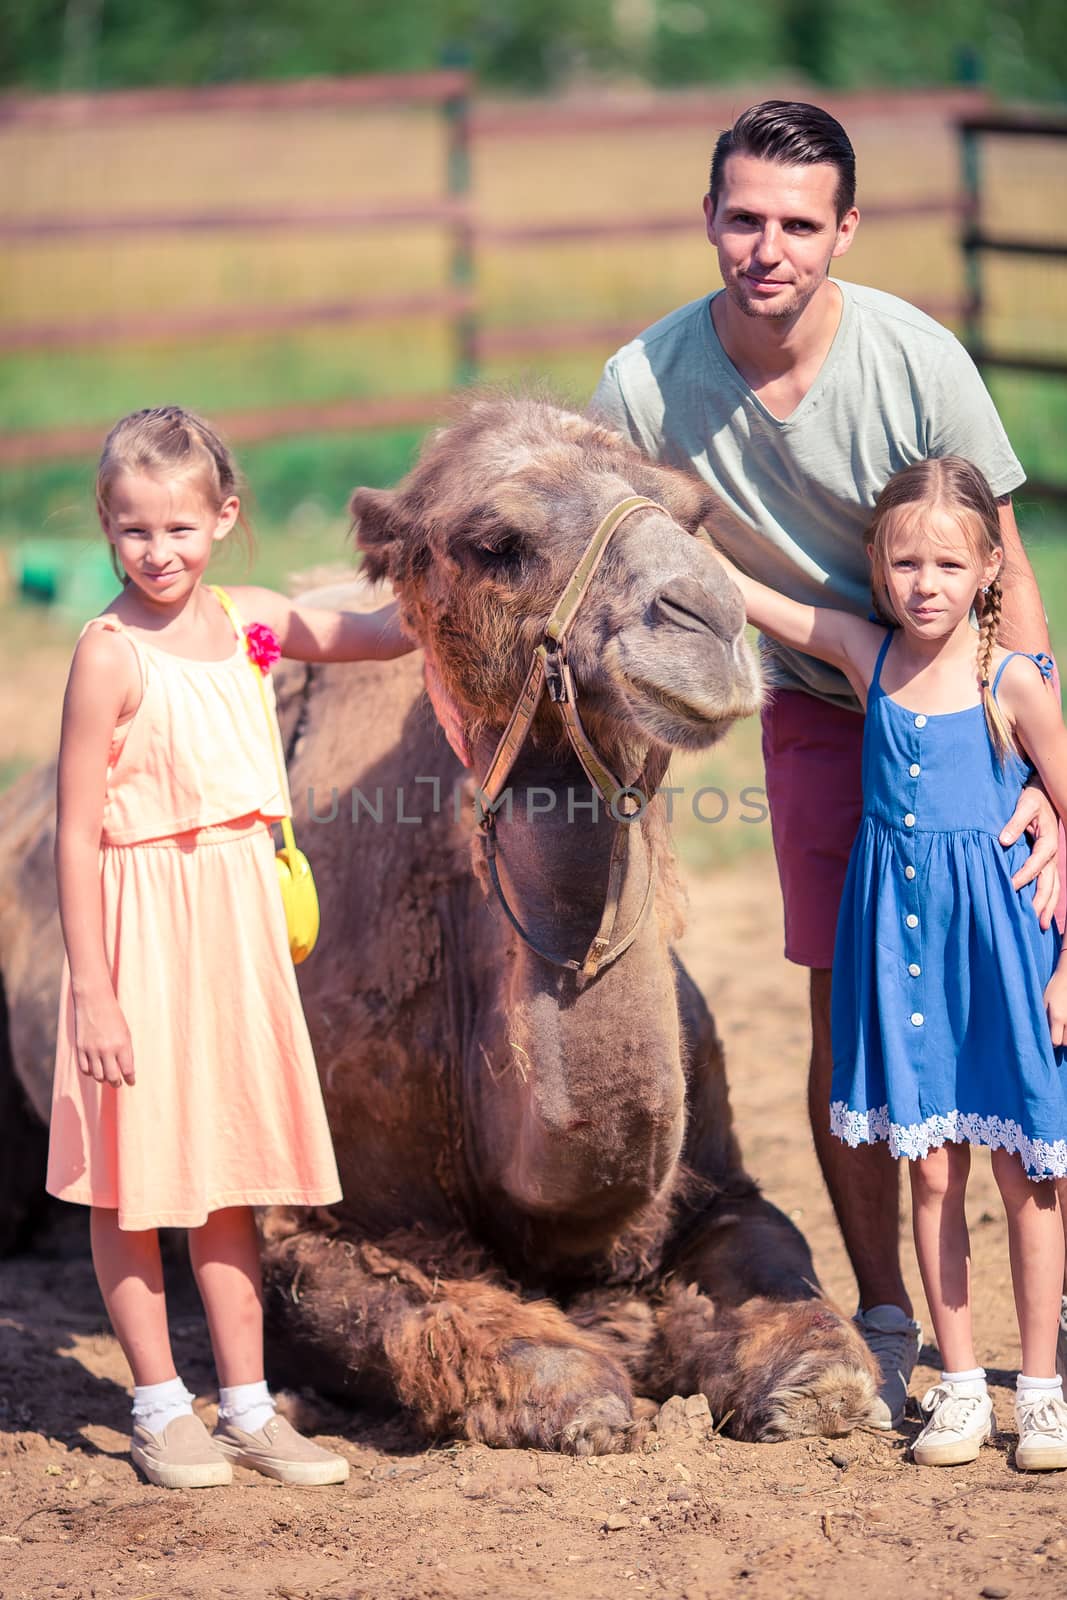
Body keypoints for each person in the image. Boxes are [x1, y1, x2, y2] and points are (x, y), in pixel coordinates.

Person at [590, 99, 1061, 1427]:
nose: (767, 247)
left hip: (967, 707)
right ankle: (890, 1318)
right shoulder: (645, 383)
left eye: (797, 223)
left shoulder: (918, 363)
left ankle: (1043, 1307)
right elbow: (610, 551)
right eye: (742, 217)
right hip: (812, 703)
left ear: (842, 230)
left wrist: (1037, 779)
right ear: (708, 219)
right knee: (848, 1012)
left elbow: (1006, 572)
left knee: (1020, 996)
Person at [46, 406, 415, 1489]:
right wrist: (98, 995)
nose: (158, 553)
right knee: (133, 1178)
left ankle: (248, 1407)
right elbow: (74, 833)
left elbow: (378, 633)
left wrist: (463, 576)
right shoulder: (108, 655)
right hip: (139, 932)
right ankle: (161, 1407)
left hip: (235, 930)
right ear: (107, 530)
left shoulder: (253, 621)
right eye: (132, 532)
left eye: (179, 529)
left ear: (225, 518)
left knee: (228, 1173)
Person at [713, 455, 1067, 1468]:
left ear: (987, 570)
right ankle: (956, 1384)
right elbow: (756, 602)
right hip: (903, 962)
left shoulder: (1012, 686)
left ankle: (1037, 1390)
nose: (924, 582)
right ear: (875, 570)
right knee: (927, 1177)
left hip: (1001, 962)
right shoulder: (866, 658)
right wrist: (656, 516)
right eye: (903, 561)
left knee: (1028, 1179)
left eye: (947, 563)